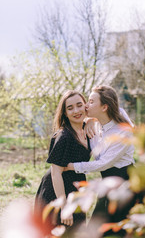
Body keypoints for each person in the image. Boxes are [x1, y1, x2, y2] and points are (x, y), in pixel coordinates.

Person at [66, 85, 135, 236]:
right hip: (107, 182)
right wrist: (90, 119)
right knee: (99, 227)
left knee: (118, 229)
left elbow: (103, 163)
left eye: (90, 102)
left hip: (124, 183)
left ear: (104, 107)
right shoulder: (96, 123)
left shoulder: (122, 133)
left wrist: (70, 166)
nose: (85, 105)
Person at [34, 90, 91, 234]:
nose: (76, 111)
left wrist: (91, 120)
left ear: (86, 106)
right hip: (58, 191)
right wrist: (64, 206)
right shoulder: (64, 137)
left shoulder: (88, 130)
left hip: (76, 187)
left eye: (79, 105)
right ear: (65, 113)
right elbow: (56, 173)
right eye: (70, 108)